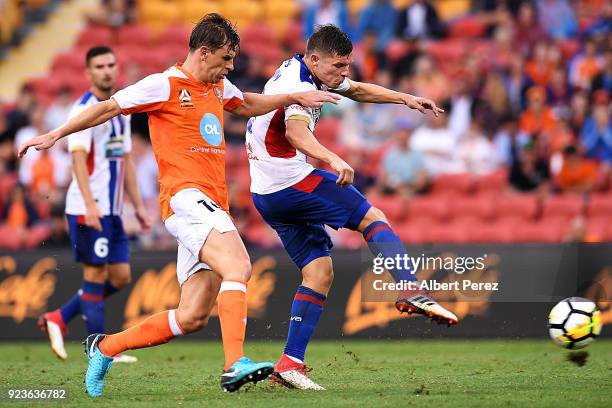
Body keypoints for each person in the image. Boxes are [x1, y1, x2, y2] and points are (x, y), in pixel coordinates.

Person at [18, 14, 338, 397]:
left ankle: (104, 348)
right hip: (184, 198)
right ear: (203, 53)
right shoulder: (163, 84)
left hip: (211, 203)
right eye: (225, 58)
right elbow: (108, 107)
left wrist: (294, 96)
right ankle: (234, 364)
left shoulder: (218, 85)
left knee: (192, 317)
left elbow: (248, 103)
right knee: (238, 264)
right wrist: (55, 133)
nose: (230, 66)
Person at [245, 24, 457, 390]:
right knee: (373, 218)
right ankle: (409, 288)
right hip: (291, 183)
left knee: (319, 274)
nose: (344, 73)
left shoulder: (310, 71)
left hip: (266, 195)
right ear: (315, 59)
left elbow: (357, 90)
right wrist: (333, 159)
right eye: (339, 66)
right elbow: (296, 133)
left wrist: (405, 98)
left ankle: (289, 364)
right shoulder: (299, 86)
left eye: (347, 64)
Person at [36, 46, 149, 364]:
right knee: (96, 278)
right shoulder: (82, 110)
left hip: (112, 210)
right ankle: (100, 351)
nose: (106, 70)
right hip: (89, 209)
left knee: (122, 276)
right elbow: (76, 160)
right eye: (99, 66)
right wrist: (89, 205)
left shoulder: (119, 109)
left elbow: (125, 159)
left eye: (111, 64)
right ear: (88, 73)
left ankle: (59, 317)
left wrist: (138, 206)